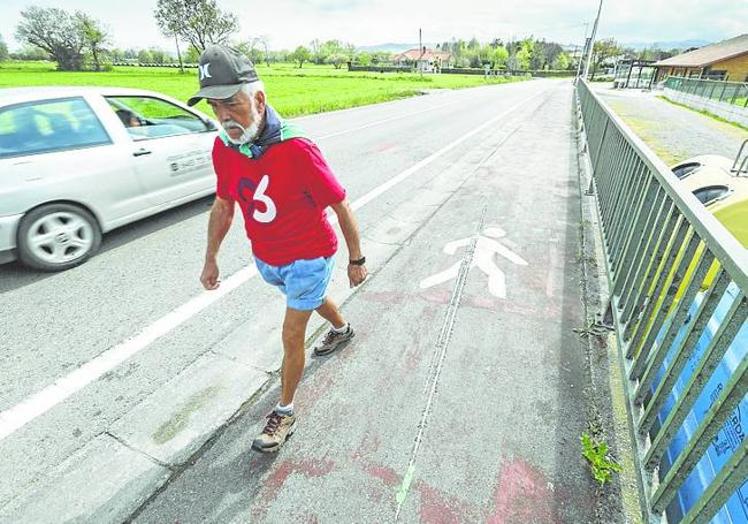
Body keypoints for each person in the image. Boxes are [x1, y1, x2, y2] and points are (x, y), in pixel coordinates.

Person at [189, 45, 368, 453]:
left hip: (309, 255)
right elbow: (224, 204)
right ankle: (341, 329)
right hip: (269, 259)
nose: (224, 117)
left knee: (292, 333)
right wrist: (210, 258)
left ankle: (284, 413)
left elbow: (340, 203)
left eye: (232, 104)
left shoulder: (297, 149)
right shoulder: (224, 147)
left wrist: (356, 259)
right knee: (308, 299)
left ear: (259, 99)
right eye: (215, 107)